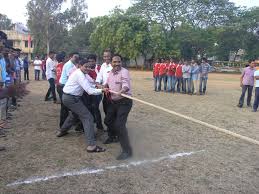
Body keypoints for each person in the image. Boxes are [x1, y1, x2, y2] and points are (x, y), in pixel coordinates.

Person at [56, 59, 107, 153]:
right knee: (88, 117)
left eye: (89, 67)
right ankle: (91, 146)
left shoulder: (83, 73)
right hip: (71, 98)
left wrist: (98, 85)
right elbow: (89, 91)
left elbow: (91, 82)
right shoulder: (79, 74)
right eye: (85, 66)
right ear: (80, 66)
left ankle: (62, 131)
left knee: (74, 115)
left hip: (69, 97)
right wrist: (102, 90)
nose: (88, 68)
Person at [104, 54, 133, 160]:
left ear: (121, 62)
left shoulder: (124, 72)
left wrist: (122, 91)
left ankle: (127, 151)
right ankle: (113, 137)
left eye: (119, 62)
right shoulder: (110, 73)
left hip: (124, 102)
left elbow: (126, 85)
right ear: (111, 63)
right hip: (113, 102)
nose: (117, 64)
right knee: (107, 120)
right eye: (114, 62)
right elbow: (107, 84)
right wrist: (105, 87)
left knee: (119, 125)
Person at [95, 49, 116, 143]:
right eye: (105, 56)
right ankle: (111, 131)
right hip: (105, 93)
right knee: (107, 113)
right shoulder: (103, 65)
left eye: (108, 56)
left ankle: (113, 135)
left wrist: (106, 85)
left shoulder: (114, 66)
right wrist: (98, 83)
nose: (106, 58)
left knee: (110, 116)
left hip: (113, 95)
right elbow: (99, 77)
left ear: (111, 57)